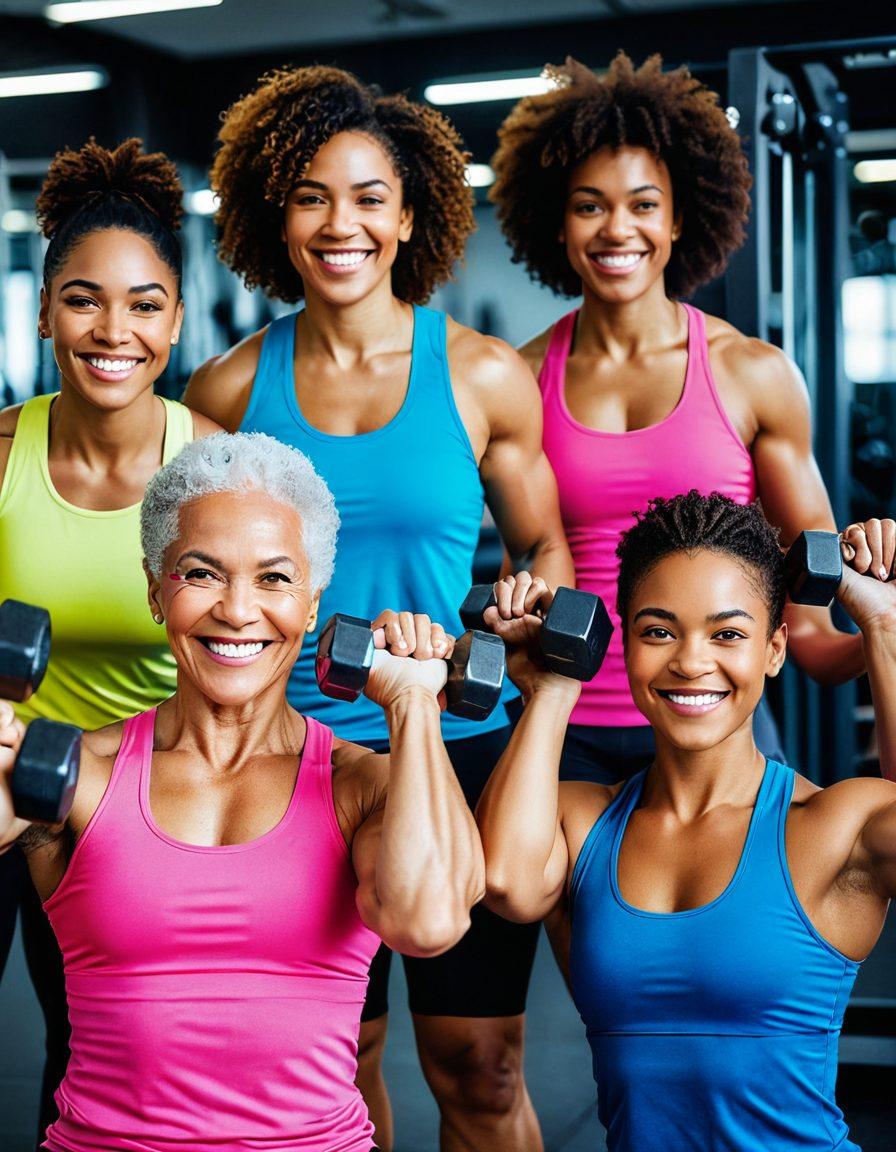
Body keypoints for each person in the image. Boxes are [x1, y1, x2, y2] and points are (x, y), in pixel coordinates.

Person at [184, 65, 573, 1152]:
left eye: (367, 197)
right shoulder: (226, 391)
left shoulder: (482, 377)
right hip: (296, 763)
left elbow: (544, 541)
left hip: (456, 747)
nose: (339, 223)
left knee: (482, 1069)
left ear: (408, 217)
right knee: (334, 1067)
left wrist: (529, 592)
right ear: (278, 218)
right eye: (310, 197)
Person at [1, 431, 484, 1152]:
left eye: (274, 579)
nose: (236, 609)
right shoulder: (74, 771)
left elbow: (428, 922)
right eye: (202, 573)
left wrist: (413, 704)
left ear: (313, 604)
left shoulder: (362, 786)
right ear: (155, 590)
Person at [490, 53, 866, 791]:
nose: (616, 229)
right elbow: (526, 564)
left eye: (643, 205)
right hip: (566, 729)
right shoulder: (518, 379)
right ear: (557, 223)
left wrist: (880, 633)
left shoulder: (751, 374)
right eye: (589, 206)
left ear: (679, 218)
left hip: (717, 724)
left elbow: (813, 632)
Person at [475, 492, 896, 1152]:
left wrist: (885, 628)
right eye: (658, 632)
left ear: (775, 649)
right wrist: (551, 688)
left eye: (727, 634)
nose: (691, 662)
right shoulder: (584, 820)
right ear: (623, 645)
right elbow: (506, 882)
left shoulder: (832, 825)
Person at [0, 137, 218, 1143]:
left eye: (143, 304)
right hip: (5, 779)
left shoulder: (212, 467)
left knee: (89, 1058)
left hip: (136, 802)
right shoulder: (5, 452)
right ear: (45, 312)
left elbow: (244, 650)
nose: (113, 330)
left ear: (175, 320)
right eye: (83, 300)